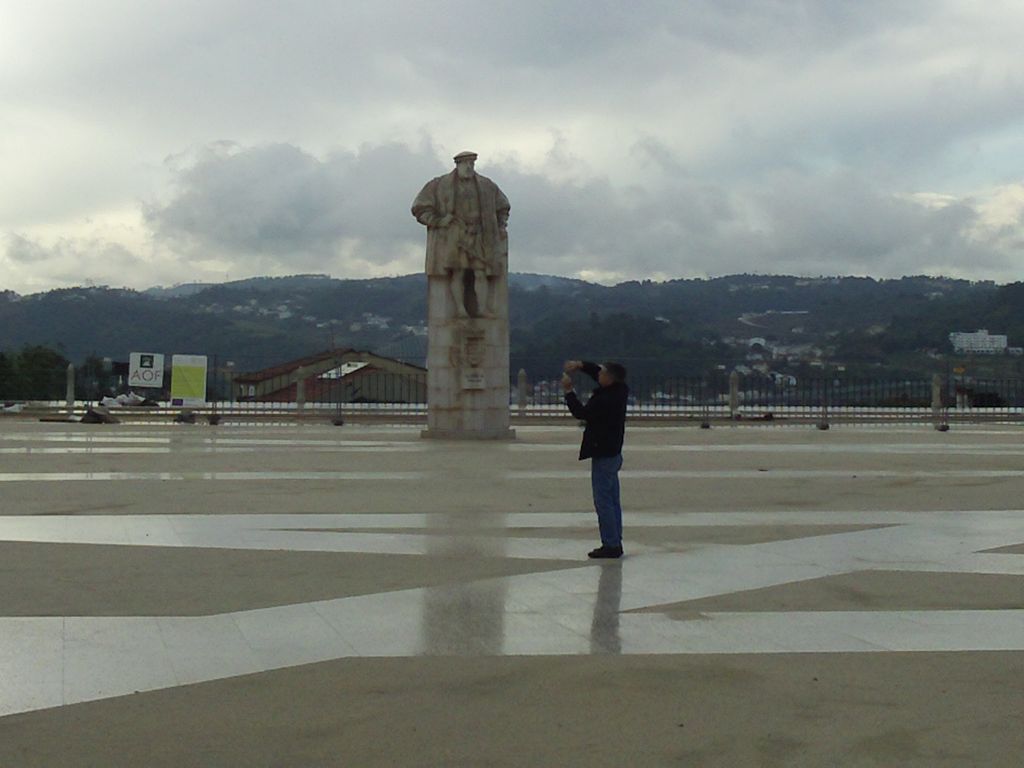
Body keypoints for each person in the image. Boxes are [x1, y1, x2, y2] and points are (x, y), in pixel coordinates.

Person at [411, 151, 510, 318]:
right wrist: (438, 221)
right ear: (457, 165)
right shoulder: (439, 184)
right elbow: (419, 208)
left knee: (480, 271)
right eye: (466, 164)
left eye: (472, 164)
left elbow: (503, 207)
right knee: (458, 271)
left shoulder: (487, 186)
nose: (469, 167)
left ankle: (482, 309)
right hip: (454, 235)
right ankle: (459, 309)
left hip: (480, 234)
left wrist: (500, 225)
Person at [562, 360, 629, 558]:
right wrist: (582, 365)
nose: (599, 375)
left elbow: (581, 413)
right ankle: (615, 539)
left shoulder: (604, 400)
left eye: (603, 374)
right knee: (613, 500)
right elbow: (597, 371)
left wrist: (568, 392)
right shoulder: (620, 389)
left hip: (603, 452)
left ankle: (610, 544)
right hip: (614, 451)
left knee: (603, 501)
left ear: (610, 378)